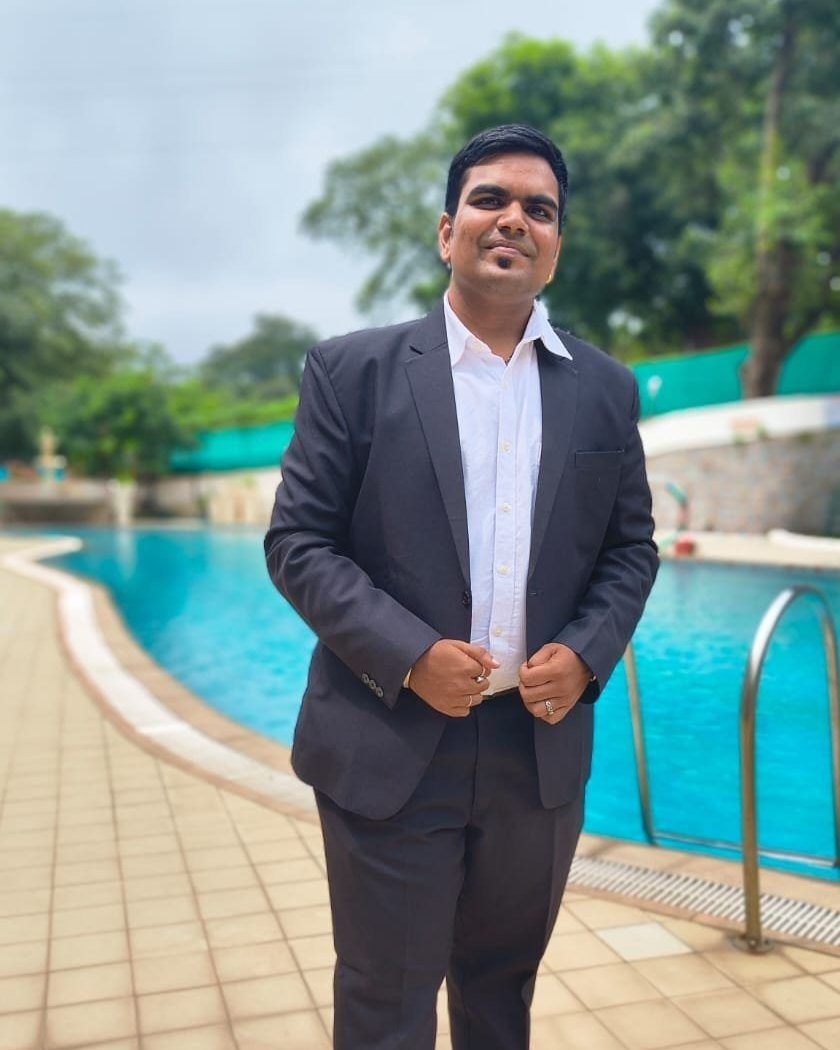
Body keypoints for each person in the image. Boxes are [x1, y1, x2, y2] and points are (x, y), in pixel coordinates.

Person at [265, 123, 658, 1050]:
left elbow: (630, 550)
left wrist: (588, 652)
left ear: (555, 245)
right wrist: (410, 656)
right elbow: (299, 543)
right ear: (448, 232)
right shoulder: (352, 372)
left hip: (537, 756)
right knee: (387, 1008)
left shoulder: (605, 390)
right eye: (490, 199)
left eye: (539, 209)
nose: (514, 218)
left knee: (499, 999)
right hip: (392, 744)